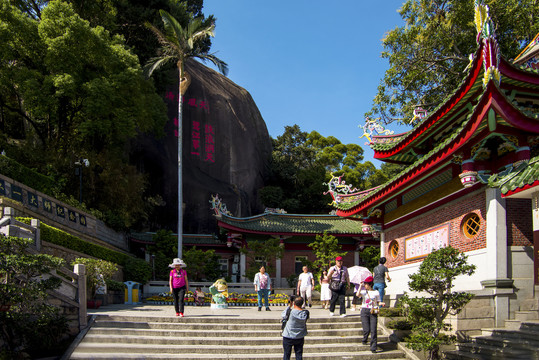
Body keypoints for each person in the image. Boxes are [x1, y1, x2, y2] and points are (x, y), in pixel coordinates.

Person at [357, 275, 385, 353]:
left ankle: (373, 347)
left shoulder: (376, 292)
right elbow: (357, 295)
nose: (365, 285)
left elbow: (378, 301)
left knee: (373, 330)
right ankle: (364, 339)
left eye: (366, 284)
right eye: (364, 284)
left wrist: (381, 303)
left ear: (370, 284)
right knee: (366, 329)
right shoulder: (363, 292)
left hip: (373, 311)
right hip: (364, 311)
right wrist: (360, 286)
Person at [281, 296, 309, 360]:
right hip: (300, 336)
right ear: (302, 304)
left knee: (286, 355)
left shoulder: (290, 312)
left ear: (294, 303)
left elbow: (283, 314)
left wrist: (289, 305)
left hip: (288, 335)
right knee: (299, 354)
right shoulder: (305, 313)